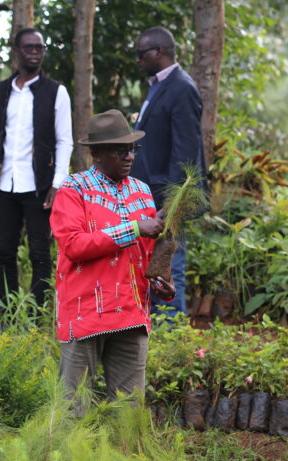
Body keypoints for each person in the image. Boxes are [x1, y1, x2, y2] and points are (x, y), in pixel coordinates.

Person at [50, 109, 175, 408]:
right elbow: (74, 245)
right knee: (74, 408)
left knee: (129, 411)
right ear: (96, 153)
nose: (129, 156)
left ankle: (126, 455)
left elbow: (144, 256)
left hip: (131, 314)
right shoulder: (73, 189)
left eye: (132, 148)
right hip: (86, 313)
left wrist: (162, 283)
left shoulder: (142, 192)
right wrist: (133, 228)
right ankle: (66, 458)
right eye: (121, 150)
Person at [0, 28, 73, 309]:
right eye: (29, 47)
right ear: (17, 51)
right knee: (5, 252)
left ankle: (38, 313)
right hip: (7, 183)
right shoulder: (2, 90)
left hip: (40, 186)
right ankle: (7, 312)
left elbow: (65, 141)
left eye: (39, 48)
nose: (35, 52)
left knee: (40, 254)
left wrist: (58, 184)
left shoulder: (56, 92)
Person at [131, 26, 209, 317]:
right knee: (155, 264)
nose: (138, 60)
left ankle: (172, 335)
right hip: (153, 195)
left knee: (169, 265)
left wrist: (172, 204)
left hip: (169, 199)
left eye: (141, 54)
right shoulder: (159, 85)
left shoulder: (181, 87)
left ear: (159, 52)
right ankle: (159, 332)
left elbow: (186, 152)